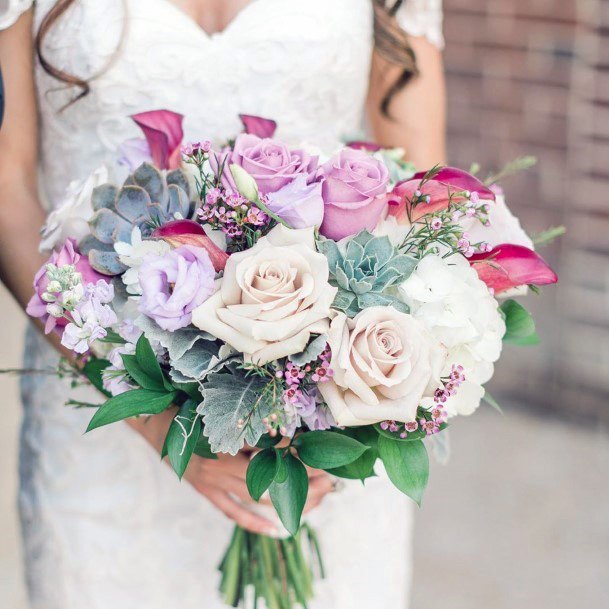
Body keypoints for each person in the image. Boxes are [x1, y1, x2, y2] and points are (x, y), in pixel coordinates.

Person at [0, 1, 446, 607]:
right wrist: (155, 422)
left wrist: (333, 389)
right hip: (101, 422)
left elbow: (420, 184)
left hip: (319, 432)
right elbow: (9, 190)